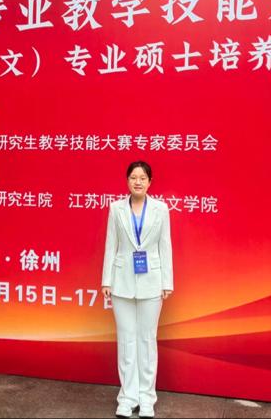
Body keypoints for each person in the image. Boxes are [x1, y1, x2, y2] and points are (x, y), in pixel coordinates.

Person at [101, 161, 173, 419]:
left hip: (152, 282)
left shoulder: (161, 209)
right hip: (121, 282)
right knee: (126, 341)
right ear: (127, 181)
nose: (138, 182)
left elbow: (165, 246)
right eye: (133, 177)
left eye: (142, 178)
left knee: (146, 340)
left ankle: (146, 398)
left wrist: (167, 282)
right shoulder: (116, 208)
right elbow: (111, 244)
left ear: (150, 182)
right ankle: (127, 397)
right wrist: (106, 280)